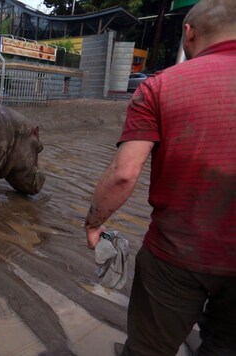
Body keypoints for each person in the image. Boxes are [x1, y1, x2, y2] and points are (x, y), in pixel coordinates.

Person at [84, 0, 236, 354]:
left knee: (149, 349)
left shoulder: (160, 86)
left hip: (175, 255)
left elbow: (124, 174)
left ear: (189, 32)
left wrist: (94, 223)